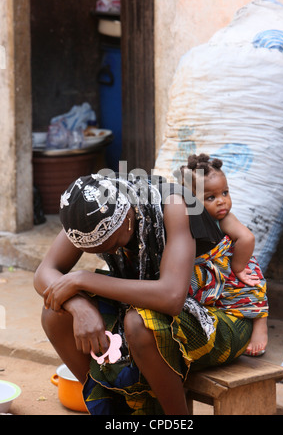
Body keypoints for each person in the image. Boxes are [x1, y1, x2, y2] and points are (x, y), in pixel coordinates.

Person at [34, 172, 255, 415]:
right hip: (157, 307)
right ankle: (117, 412)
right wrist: (80, 307)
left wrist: (83, 279)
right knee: (55, 313)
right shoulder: (90, 210)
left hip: (219, 315)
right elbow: (44, 273)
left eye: (112, 246)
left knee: (140, 322)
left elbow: (171, 298)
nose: (112, 252)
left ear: (127, 219)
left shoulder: (174, 205)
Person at [178, 153, 268, 357]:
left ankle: (260, 323)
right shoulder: (186, 218)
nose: (222, 202)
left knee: (252, 286)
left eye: (225, 193)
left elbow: (247, 238)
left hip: (232, 263)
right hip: (210, 268)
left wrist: (238, 268)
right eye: (211, 197)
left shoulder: (225, 219)